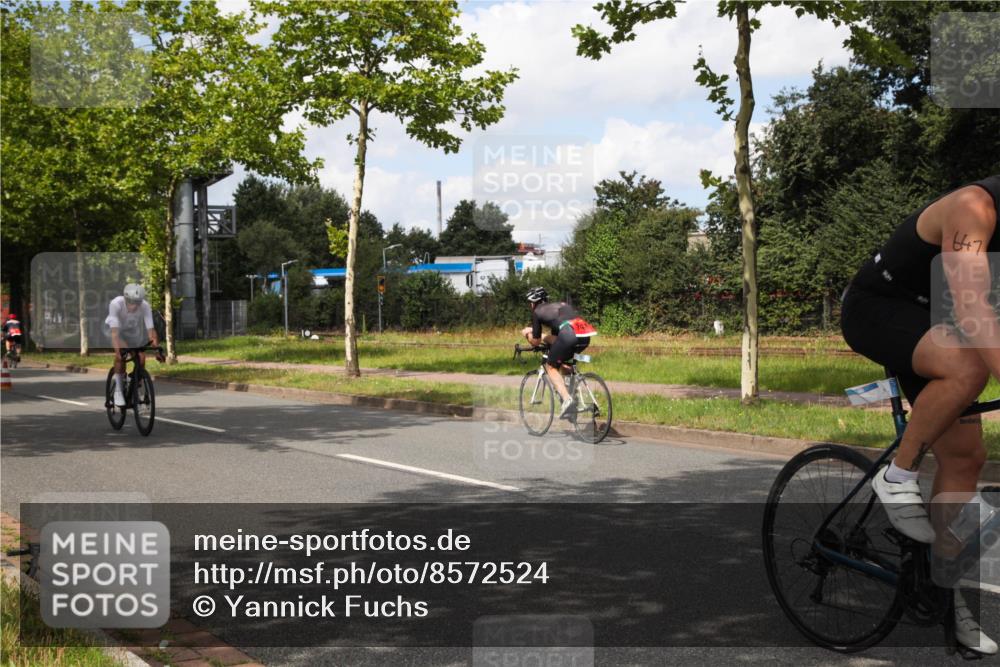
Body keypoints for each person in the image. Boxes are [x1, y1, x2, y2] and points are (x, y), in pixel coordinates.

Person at [841, 174, 1000, 655]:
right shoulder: (973, 207)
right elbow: (972, 305)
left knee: (966, 459)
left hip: (935, 327)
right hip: (877, 309)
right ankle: (897, 473)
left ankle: (949, 597)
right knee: (969, 365)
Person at [521, 287, 597, 418]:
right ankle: (572, 394)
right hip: (585, 336)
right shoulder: (562, 305)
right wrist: (548, 338)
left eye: (530, 303)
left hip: (569, 335)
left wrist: (527, 333)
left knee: (550, 367)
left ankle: (568, 400)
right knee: (563, 363)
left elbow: (536, 341)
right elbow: (557, 338)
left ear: (533, 303)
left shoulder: (537, 312)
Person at [106, 284, 163, 407]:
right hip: (116, 330)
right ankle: (118, 391)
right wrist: (119, 353)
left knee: (141, 358)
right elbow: (115, 334)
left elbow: (151, 331)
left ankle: (134, 382)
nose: (134, 306)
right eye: (131, 302)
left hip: (131, 331)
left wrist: (157, 351)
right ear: (126, 299)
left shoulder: (145, 306)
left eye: (138, 302)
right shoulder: (116, 304)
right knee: (121, 356)